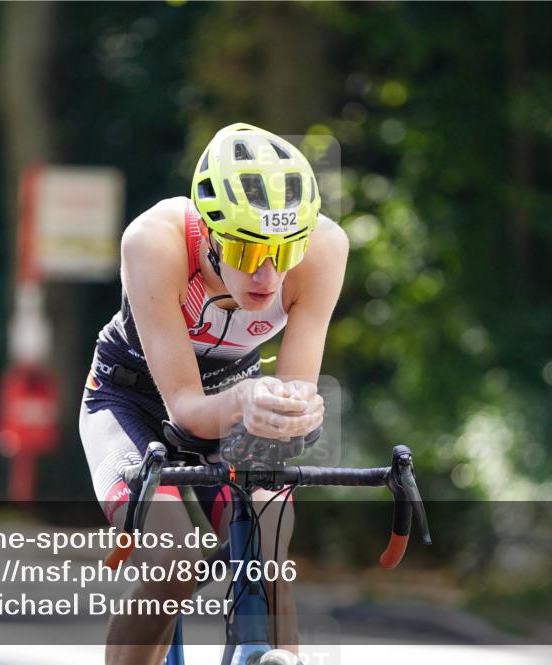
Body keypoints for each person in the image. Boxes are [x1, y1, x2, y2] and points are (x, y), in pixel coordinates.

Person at [79, 123, 349, 664]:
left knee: (269, 547)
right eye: (249, 253)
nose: (269, 276)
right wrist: (251, 401)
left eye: (285, 251)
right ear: (210, 233)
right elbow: (185, 411)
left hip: (232, 398)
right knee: (174, 558)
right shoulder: (154, 242)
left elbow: (295, 387)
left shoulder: (324, 248)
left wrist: (298, 410)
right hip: (132, 399)